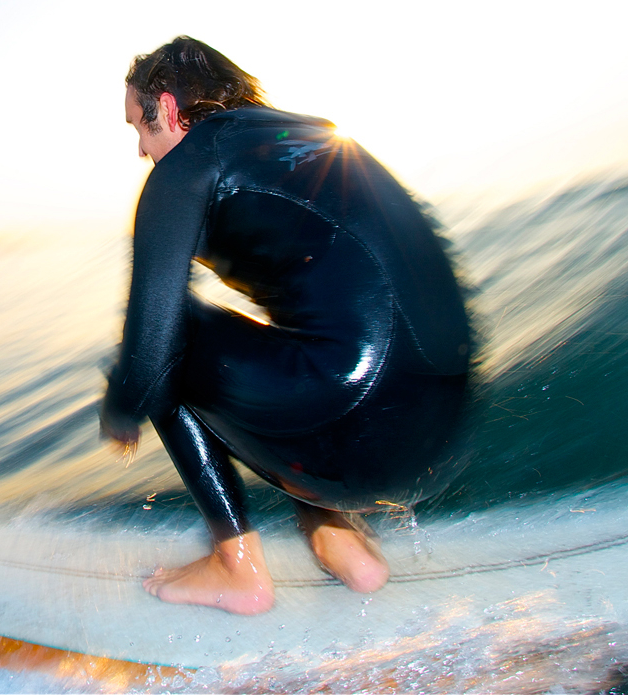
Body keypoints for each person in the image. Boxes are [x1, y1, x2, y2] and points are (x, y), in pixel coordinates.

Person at [100, 36, 470, 615]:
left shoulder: (184, 168)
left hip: (355, 429)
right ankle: (338, 537)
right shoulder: (312, 136)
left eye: (139, 129)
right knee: (298, 331)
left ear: (168, 109)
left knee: (172, 338)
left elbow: (150, 356)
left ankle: (237, 569)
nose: (142, 151)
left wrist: (120, 408)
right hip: (439, 422)